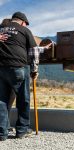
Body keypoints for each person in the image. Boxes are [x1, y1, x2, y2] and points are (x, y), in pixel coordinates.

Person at [0, 12, 41, 141]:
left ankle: (2, 133)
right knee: (23, 100)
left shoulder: (1, 30)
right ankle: (22, 130)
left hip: (1, 68)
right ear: (23, 22)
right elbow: (34, 51)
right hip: (18, 67)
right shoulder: (25, 30)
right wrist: (34, 70)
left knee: (1, 101)